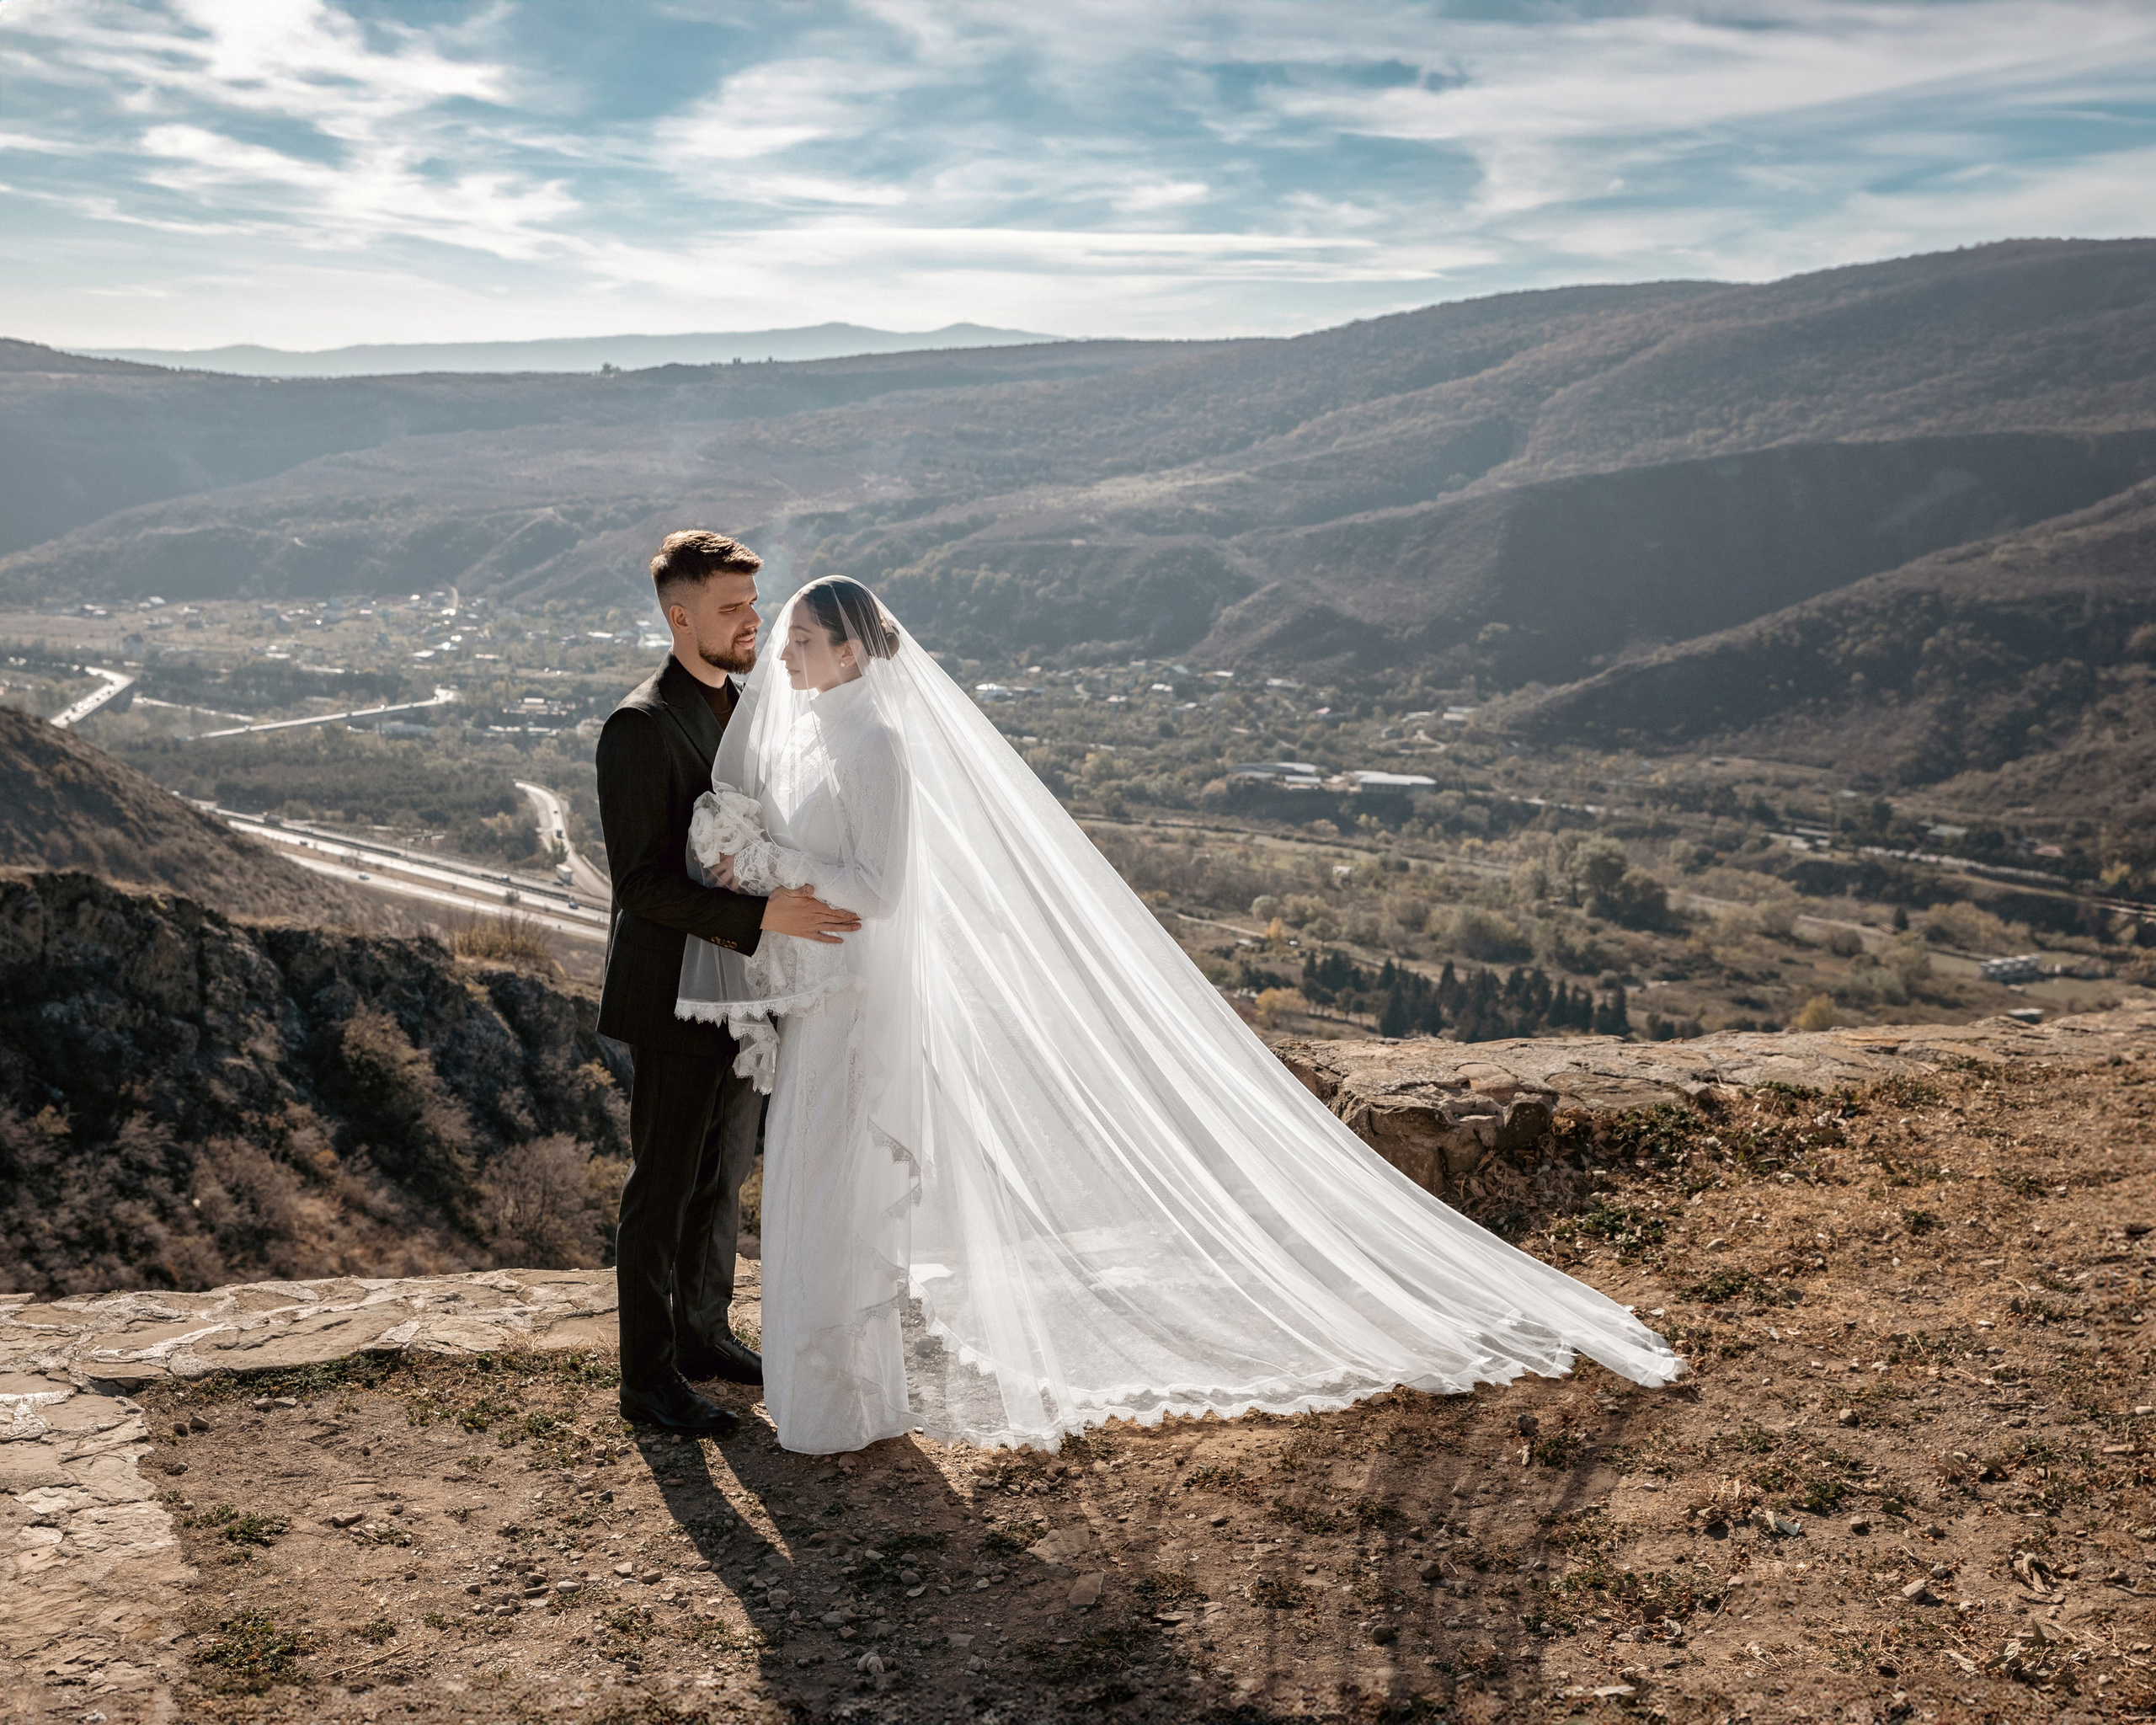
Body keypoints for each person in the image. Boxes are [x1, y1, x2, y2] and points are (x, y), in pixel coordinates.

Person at [678, 578, 1685, 1456]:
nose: (789, 655)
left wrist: (777, 868)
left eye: (806, 642)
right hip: (824, 987)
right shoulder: (817, 729)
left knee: (835, 1185)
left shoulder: (879, 742)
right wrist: (759, 863)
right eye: (792, 642)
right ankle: (833, 1396)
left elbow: (884, 889)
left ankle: (841, 1401)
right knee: (814, 1179)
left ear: (852, 649)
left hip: (862, 997)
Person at [595, 531, 861, 1434]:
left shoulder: (748, 709)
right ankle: (646, 1379)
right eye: (731, 608)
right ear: (680, 616)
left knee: (721, 1181)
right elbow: (639, 884)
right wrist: (763, 917)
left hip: (746, 994)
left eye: (755, 604)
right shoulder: (638, 724)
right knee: (661, 1187)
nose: (753, 621)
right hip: (672, 994)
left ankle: (703, 1333)